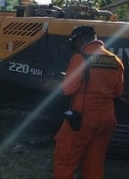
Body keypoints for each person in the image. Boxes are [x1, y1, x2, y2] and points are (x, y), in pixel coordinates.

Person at [53, 26, 124, 179]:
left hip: (82, 120)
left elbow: (68, 89)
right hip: (106, 120)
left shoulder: (80, 58)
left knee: (65, 160)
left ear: (80, 40)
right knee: (95, 164)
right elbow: (118, 92)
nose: (76, 47)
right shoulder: (115, 60)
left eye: (76, 43)